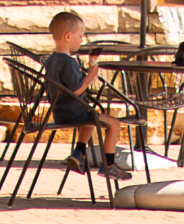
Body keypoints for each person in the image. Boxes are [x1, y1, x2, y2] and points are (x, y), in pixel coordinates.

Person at [43, 11, 132, 181]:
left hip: (60, 112)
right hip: (73, 112)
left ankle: (79, 152)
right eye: (80, 36)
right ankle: (109, 164)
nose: (82, 40)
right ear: (68, 36)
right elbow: (76, 90)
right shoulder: (68, 62)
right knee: (114, 123)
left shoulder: (52, 59)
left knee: (91, 116)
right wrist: (91, 75)